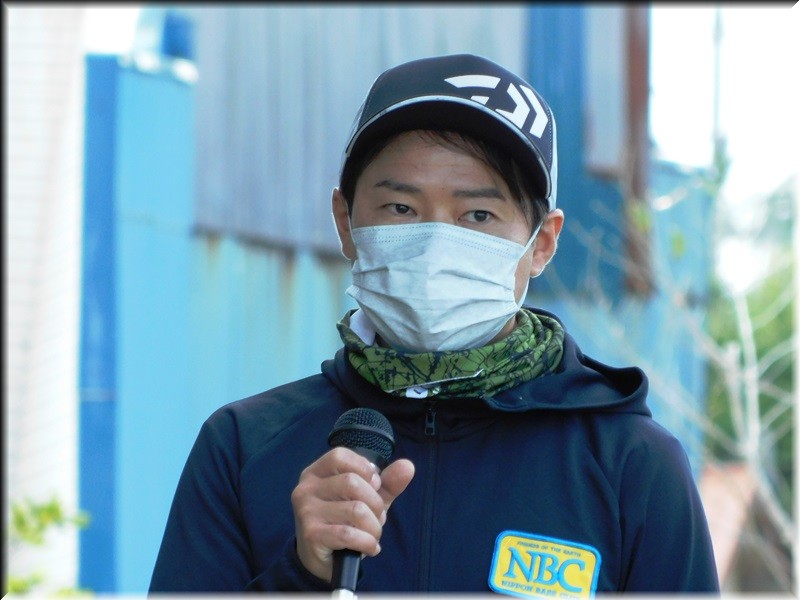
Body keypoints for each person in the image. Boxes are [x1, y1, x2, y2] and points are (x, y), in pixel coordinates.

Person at [149, 53, 719, 595]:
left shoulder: (630, 465)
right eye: (401, 208)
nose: (435, 243)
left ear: (541, 243)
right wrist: (302, 576)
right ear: (345, 221)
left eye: (478, 214)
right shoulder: (244, 448)